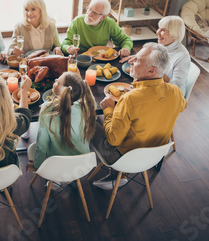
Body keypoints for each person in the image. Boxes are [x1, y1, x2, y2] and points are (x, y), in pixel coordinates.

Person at [92, 42, 186, 189]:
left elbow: (113, 140)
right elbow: (182, 106)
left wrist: (108, 109)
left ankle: (113, 173)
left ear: (151, 71)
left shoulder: (130, 99)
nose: (131, 61)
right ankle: (121, 175)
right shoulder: (176, 92)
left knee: (89, 119)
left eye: (137, 60)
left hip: (123, 158)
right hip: (154, 156)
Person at [26, 71, 96, 172]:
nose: (55, 81)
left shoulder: (47, 110)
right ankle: (68, 179)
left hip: (57, 165)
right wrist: (83, 84)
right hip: (82, 165)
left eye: (57, 82)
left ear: (63, 92)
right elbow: (91, 100)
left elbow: (42, 145)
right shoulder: (87, 106)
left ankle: (58, 182)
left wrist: (37, 165)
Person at [120, 16, 190, 95]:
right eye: (159, 28)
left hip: (163, 95)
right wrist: (138, 57)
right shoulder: (165, 44)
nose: (157, 32)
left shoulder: (182, 57)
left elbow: (179, 92)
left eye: (163, 30)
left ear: (174, 34)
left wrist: (158, 72)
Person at [61, 0, 133, 56]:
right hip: (81, 56)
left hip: (100, 57)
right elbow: (65, 43)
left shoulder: (110, 23)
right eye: (89, 9)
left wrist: (125, 48)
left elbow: (126, 40)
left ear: (103, 17)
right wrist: (68, 48)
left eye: (94, 13)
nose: (89, 14)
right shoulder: (77, 21)